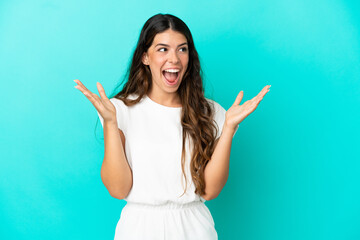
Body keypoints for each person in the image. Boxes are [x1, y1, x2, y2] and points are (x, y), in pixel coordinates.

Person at [74, 13, 270, 240]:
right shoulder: (119, 110)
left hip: (194, 228)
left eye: (182, 49)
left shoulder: (211, 112)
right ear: (145, 57)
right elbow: (118, 189)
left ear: (190, 56)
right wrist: (110, 123)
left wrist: (228, 129)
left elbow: (210, 190)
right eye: (163, 49)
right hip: (139, 228)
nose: (174, 59)